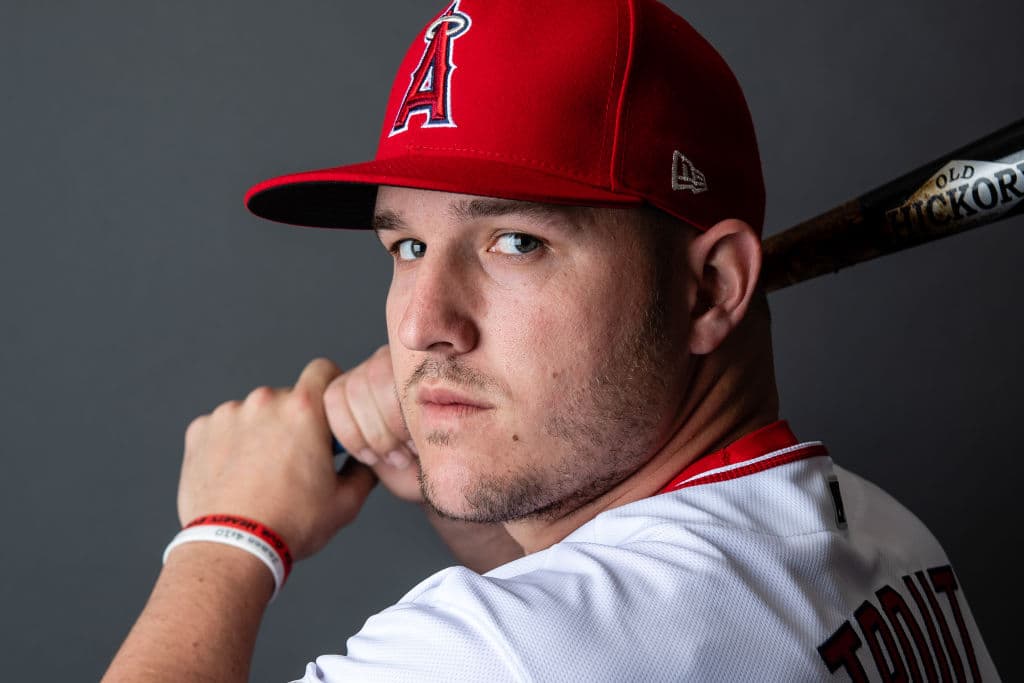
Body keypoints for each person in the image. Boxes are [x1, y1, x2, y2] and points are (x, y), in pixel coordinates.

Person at [102, 0, 999, 680]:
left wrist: (229, 536)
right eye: (408, 245)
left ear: (713, 286)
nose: (422, 325)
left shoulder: (496, 657)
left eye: (516, 242)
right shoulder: (873, 531)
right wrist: (457, 482)